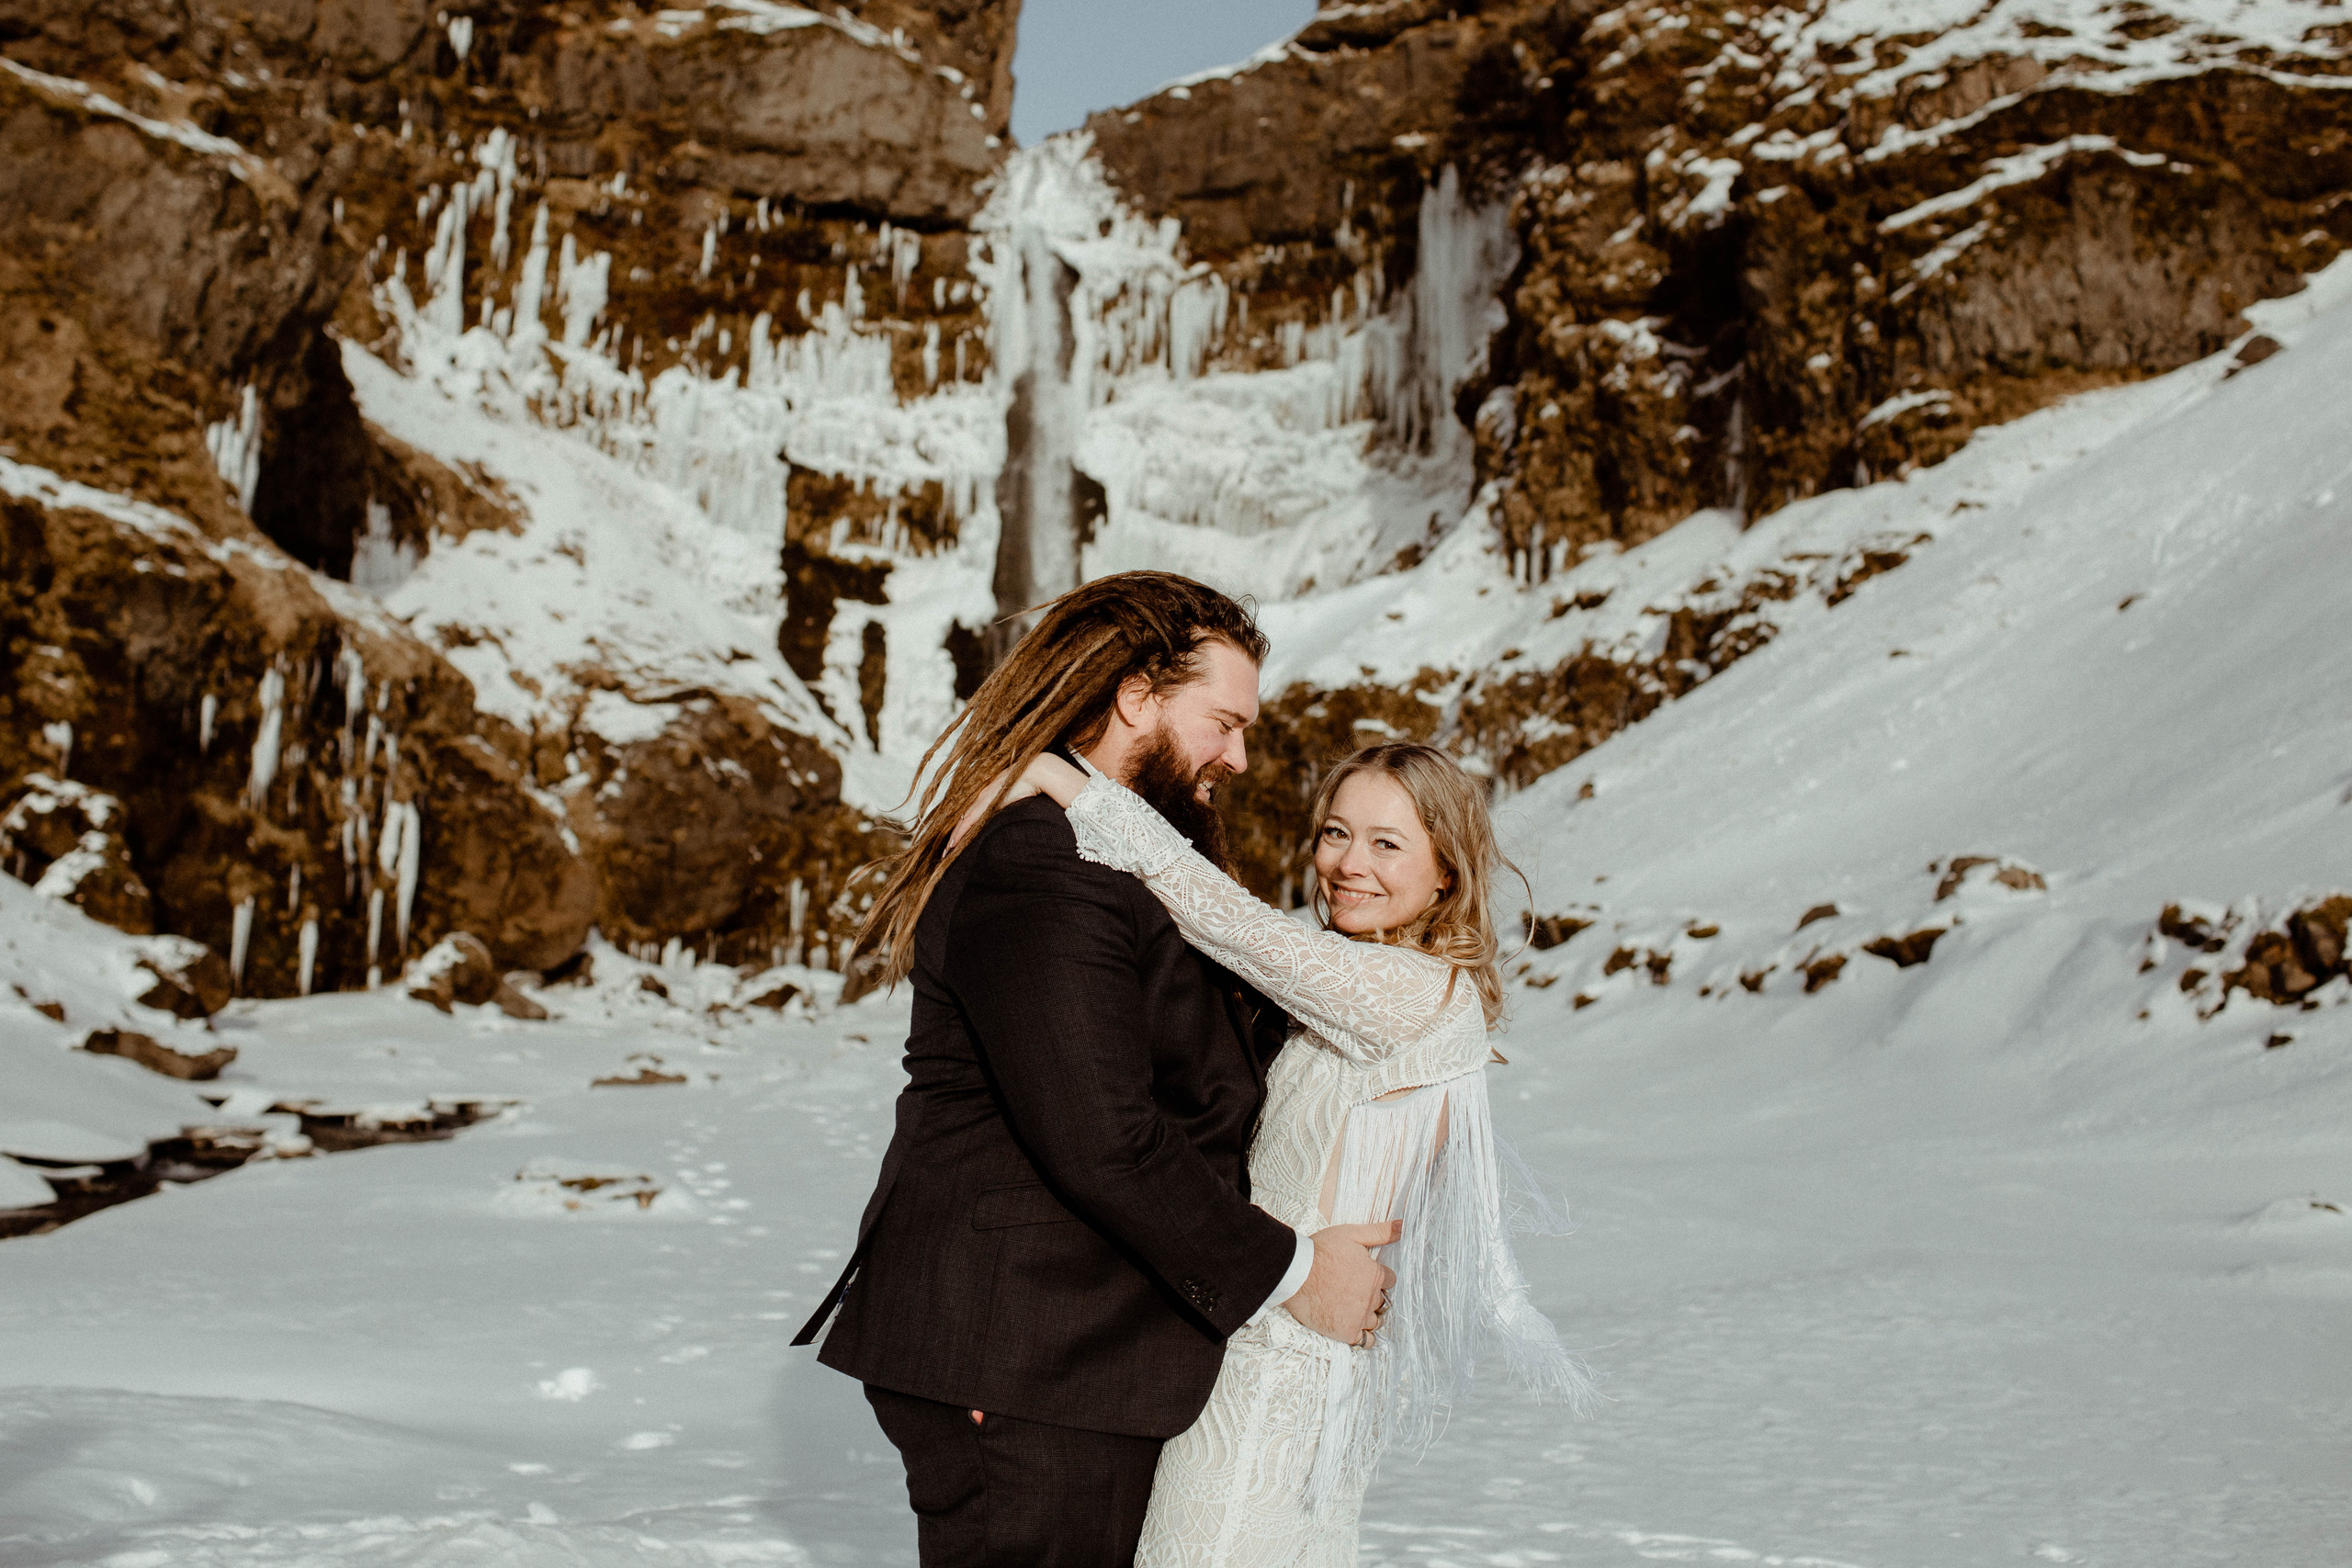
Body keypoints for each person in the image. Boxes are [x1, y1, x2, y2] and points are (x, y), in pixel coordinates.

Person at [792, 572, 1400, 1568]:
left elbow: (1206, 1062)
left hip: (1071, 1350)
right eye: (1223, 723)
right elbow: (1103, 1137)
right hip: (1025, 1352)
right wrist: (1296, 1274)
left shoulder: (1117, 850)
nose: (1238, 757)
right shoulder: (1044, 861)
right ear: (1135, 697)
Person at [1001, 739, 1593, 1566]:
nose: (1349, 864)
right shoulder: (1373, 976)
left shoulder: (1411, 991)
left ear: (1446, 872)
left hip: (1276, 1370)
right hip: (1284, 1349)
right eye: (1335, 833)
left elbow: (1227, 918)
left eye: (1387, 843)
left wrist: (1059, 779)